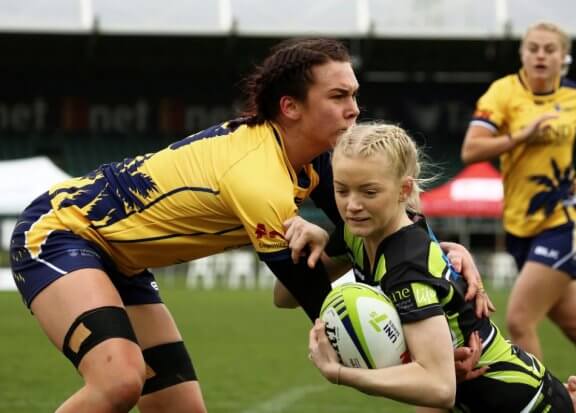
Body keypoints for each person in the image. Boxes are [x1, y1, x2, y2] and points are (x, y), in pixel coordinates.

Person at [9, 38, 484, 412]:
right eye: (338, 96)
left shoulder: (316, 157)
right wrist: (429, 353)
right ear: (290, 107)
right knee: (118, 380)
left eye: (354, 95)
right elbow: (323, 305)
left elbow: (392, 236)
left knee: (180, 408)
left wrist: (447, 261)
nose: (354, 109)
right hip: (60, 232)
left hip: (122, 263)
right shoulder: (258, 177)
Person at [293, 122, 576, 412]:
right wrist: (310, 238)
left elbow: (440, 387)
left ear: (403, 191)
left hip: (524, 403)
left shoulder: (407, 265)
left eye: (369, 191)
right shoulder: (362, 230)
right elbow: (288, 294)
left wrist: (340, 374)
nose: (352, 205)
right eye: (341, 190)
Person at [461, 21, 576, 380]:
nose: (541, 55)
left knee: (519, 319)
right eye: (533, 48)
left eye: (550, 49)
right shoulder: (502, 93)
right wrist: (522, 135)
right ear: (522, 54)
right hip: (520, 225)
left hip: (564, 219)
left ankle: (541, 404)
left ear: (564, 58)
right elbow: (470, 149)